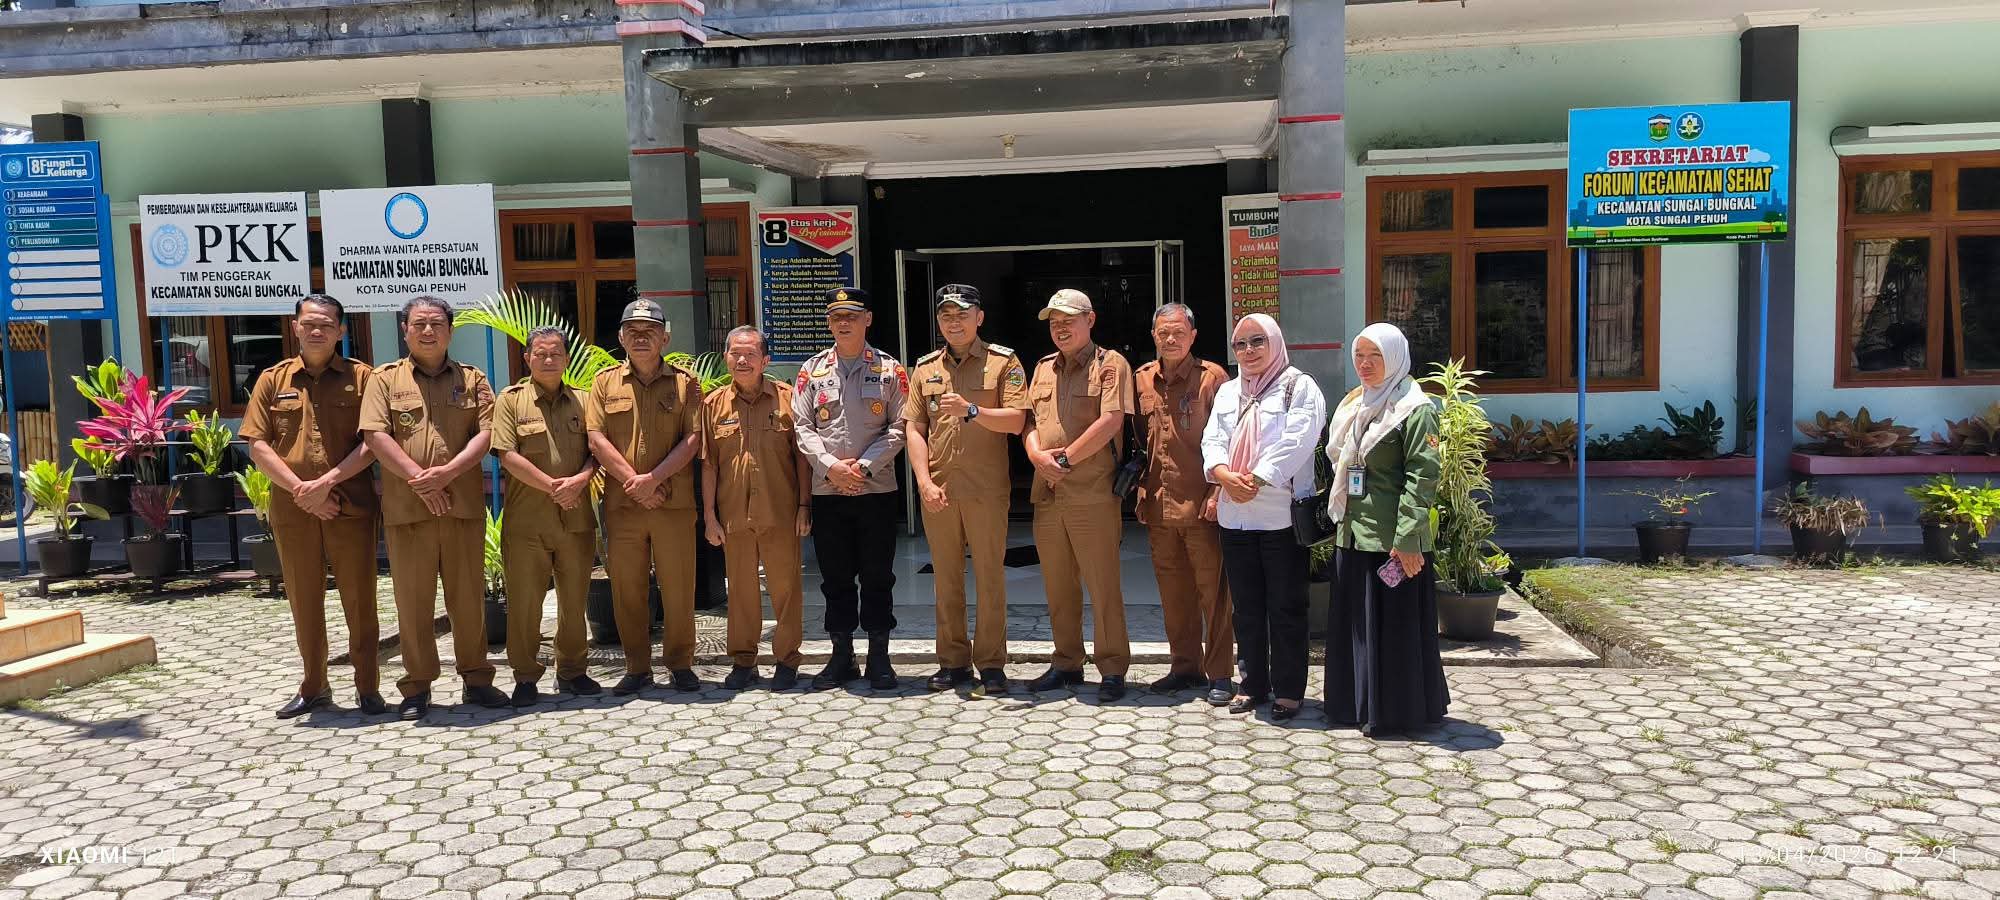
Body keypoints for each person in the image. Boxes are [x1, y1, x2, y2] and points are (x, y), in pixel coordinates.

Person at [240, 294, 384, 719]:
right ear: (295, 327)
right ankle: (314, 685)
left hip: (350, 507)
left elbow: (373, 442)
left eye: (326, 324)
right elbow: (257, 444)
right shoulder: (273, 379)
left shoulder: (364, 379)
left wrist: (327, 483)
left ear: (341, 331)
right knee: (304, 600)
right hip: (295, 510)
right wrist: (302, 490)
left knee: (360, 600)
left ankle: (367, 688)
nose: (317, 330)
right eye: (309, 323)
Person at [359, 296, 500, 721]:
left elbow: (487, 433)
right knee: (414, 602)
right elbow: (375, 435)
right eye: (418, 323)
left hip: (461, 508)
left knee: (468, 599)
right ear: (404, 330)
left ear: (450, 330)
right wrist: (421, 480)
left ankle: (476, 678)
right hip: (409, 511)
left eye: (436, 323)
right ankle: (417, 687)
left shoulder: (473, 380)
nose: (427, 331)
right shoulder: (384, 380)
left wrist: (447, 473)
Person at [903, 284, 1030, 696]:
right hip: (939, 489)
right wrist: (922, 481)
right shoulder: (924, 368)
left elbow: (1016, 420)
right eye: (945, 315)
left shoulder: (1003, 362)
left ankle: (991, 664)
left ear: (979, 317)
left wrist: (973, 410)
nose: (953, 322)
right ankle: (953, 662)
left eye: (961, 314)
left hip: (985, 489)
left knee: (991, 577)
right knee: (946, 580)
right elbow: (914, 428)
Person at [1324, 322, 1448, 735]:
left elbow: (1422, 477)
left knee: (1393, 627)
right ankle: (1354, 704)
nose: (1365, 364)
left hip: (1393, 539)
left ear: (1394, 357)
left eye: (1374, 356)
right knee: (1356, 624)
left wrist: (1408, 539)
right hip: (1353, 533)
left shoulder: (1415, 409)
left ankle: (1395, 711)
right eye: (1359, 355)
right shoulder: (1355, 403)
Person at [1200, 313, 1326, 721]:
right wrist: (1221, 474)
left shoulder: (1298, 386)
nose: (1249, 350)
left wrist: (1254, 478)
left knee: (1287, 606)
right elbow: (1212, 437)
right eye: (1241, 344)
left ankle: (1289, 690)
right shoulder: (1228, 391)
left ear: (1274, 342)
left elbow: (1299, 439)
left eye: (1257, 341)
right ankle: (1252, 683)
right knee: (1247, 607)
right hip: (1235, 516)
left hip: (1280, 515)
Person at [1021, 289, 1136, 702]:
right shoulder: (1042, 368)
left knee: (1102, 584)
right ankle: (1067, 661)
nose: (1060, 328)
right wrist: (1036, 454)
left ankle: (1111, 668)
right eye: (1053, 322)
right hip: (1048, 492)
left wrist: (1064, 460)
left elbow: (1110, 421)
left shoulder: (1110, 364)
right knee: (1058, 585)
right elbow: (1028, 422)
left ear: (1090, 320)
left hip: (1091, 492)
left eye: (1068, 320)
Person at [586, 299, 704, 696]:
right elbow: (596, 438)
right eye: (632, 330)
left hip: (672, 503)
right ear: (620, 337)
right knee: (627, 589)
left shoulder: (686, 383)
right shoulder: (604, 383)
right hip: (623, 506)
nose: (640, 337)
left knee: (679, 586)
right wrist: (633, 482)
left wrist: (653, 479)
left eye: (649, 330)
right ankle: (637, 667)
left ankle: (681, 664)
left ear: (665, 337)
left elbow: (693, 438)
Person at [793, 287, 908, 692]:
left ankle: (880, 656)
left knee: (878, 576)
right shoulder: (811, 371)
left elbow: (900, 427)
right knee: (835, 578)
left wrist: (860, 466)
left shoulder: (891, 370)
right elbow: (802, 427)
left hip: (876, 490)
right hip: (829, 492)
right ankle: (841, 655)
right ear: (828, 322)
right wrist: (831, 468)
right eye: (837, 316)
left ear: (868, 319)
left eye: (852, 315)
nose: (844, 322)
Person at [490, 327, 600, 707]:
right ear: (527, 358)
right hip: (528, 521)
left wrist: (581, 479)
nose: (549, 359)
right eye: (541, 353)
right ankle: (524, 675)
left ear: (567, 359)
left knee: (574, 599)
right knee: (524, 602)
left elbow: (596, 451)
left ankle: (572, 670)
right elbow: (507, 454)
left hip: (576, 518)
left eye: (556, 353)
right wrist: (555, 486)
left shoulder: (586, 401)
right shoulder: (509, 400)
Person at [702, 326, 812, 692]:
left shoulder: (788, 399)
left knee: (786, 589)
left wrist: (804, 506)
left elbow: (802, 459)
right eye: (735, 353)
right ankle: (743, 661)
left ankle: (786, 661)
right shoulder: (713, 405)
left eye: (751, 354)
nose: (743, 360)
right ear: (726, 358)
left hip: (780, 512)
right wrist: (709, 516)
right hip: (733, 514)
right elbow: (709, 464)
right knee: (742, 592)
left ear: (766, 360)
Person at [1134, 303, 1233, 705]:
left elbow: (1231, 437)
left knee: (1215, 592)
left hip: (1202, 505)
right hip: (1159, 505)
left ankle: (1221, 673)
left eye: (1177, 332)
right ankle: (1184, 667)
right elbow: (1141, 440)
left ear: (1193, 335)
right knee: (1174, 593)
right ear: (1154, 336)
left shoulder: (1213, 379)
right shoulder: (1142, 379)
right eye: (1162, 333)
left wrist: (1217, 492)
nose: (1169, 339)